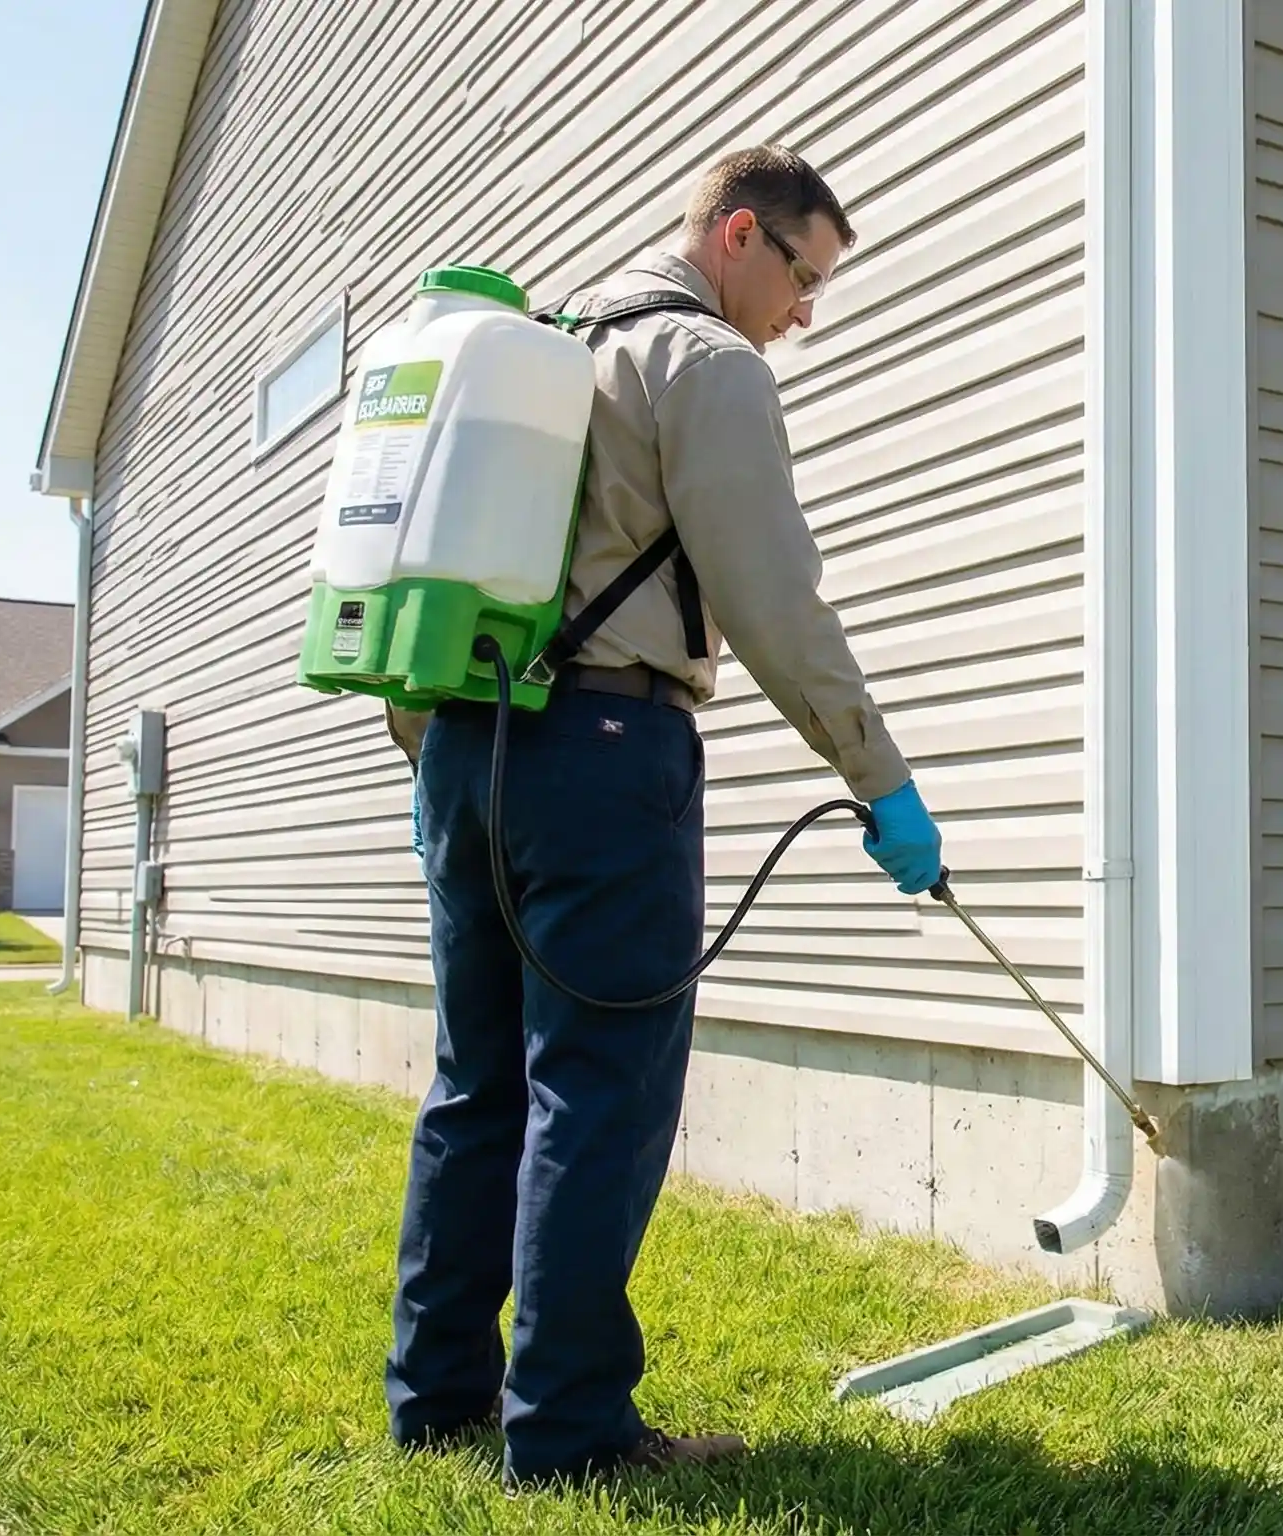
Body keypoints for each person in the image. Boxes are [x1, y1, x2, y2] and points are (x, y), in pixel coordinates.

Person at [377, 145, 941, 1486]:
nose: (805, 314)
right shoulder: (704, 364)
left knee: (478, 1082)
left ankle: (436, 1398)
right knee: (599, 1091)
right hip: (604, 751)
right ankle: (568, 1433)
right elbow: (772, 596)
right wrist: (881, 778)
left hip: (468, 744)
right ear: (739, 235)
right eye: (805, 278)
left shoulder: (553, 351)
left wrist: (437, 762)